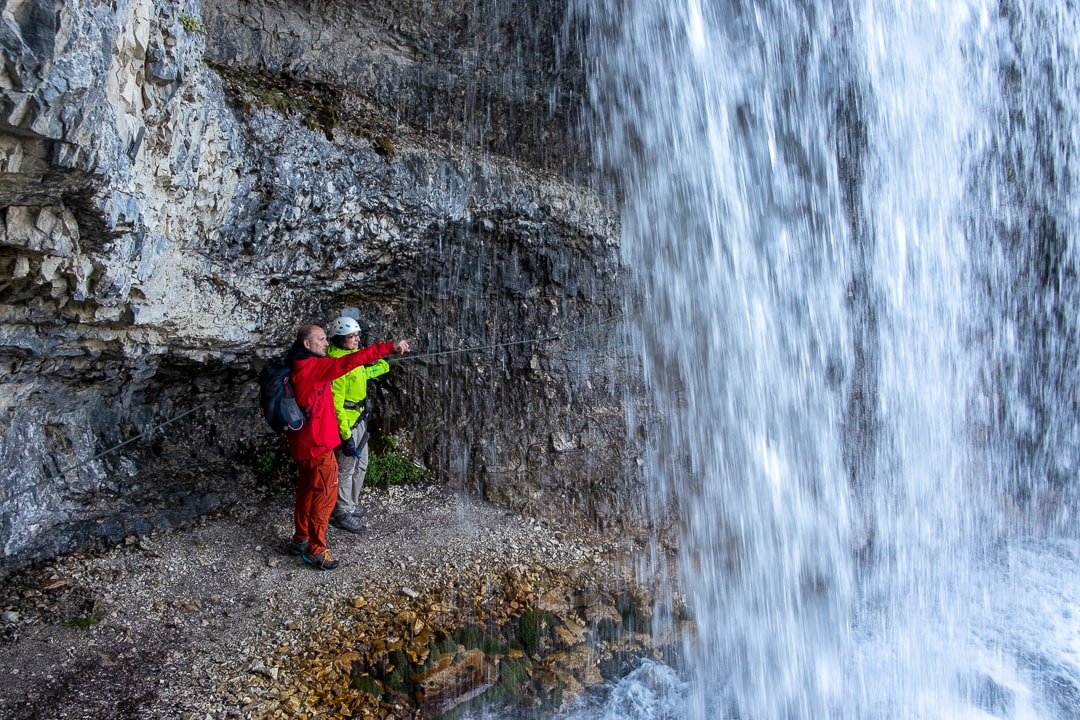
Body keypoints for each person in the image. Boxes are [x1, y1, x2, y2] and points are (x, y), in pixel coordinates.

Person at [283, 324, 411, 570]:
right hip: (317, 446)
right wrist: (389, 348)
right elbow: (348, 363)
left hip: (301, 443)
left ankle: (300, 539)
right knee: (325, 496)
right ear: (307, 345)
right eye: (321, 340)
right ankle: (316, 550)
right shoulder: (313, 368)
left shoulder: (294, 362)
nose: (325, 343)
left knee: (307, 491)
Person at [326, 316, 390, 533]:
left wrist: (382, 367)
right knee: (346, 469)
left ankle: (350, 505)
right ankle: (341, 513)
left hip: (359, 417)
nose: (357, 339)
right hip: (347, 423)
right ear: (340, 339)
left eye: (357, 335)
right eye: (351, 336)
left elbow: (363, 373)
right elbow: (336, 406)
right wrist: (346, 436)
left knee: (361, 465)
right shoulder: (337, 365)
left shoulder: (351, 357)